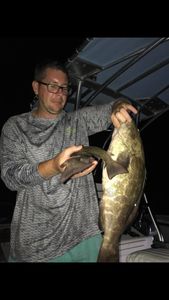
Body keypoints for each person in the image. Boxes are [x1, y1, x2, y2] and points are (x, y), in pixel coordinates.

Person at [0, 59, 137, 262]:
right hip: (40, 245)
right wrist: (54, 166)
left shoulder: (77, 120)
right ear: (36, 87)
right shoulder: (16, 127)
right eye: (53, 86)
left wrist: (118, 107)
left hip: (86, 236)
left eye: (64, 88)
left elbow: (110, 108)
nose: (60, 93)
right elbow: (11, 177)